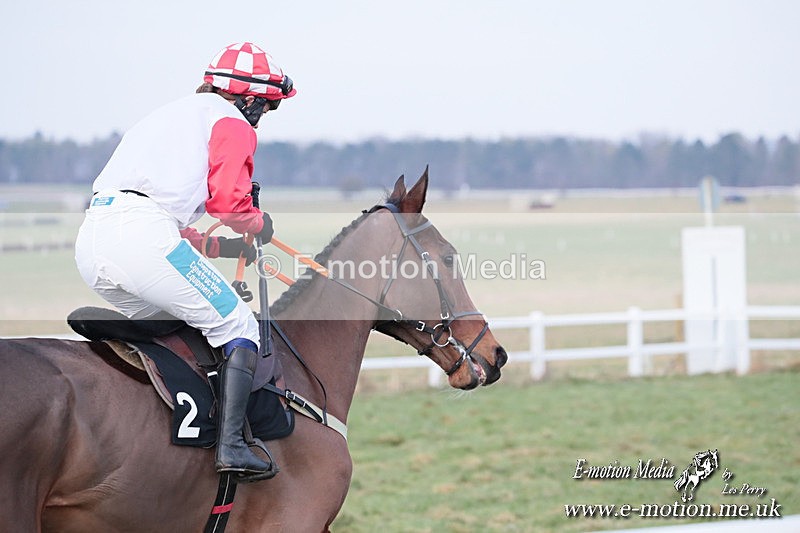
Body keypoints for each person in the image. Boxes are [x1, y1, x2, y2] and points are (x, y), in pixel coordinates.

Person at [75, 42, 296, 479]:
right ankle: (231, 447)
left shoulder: (167, 117)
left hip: (95, 240)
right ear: (250, 98)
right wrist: (257, 223)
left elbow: (165, 221)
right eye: (267, 107)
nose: (263, 116)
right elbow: (229, 204)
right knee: (238, 325)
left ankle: (174, 435)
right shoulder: (232, 121)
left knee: (184, 332)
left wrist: (222, 248)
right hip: (145, 240)